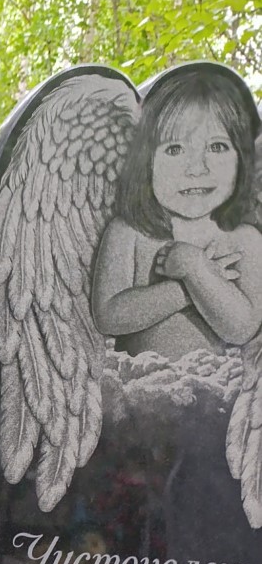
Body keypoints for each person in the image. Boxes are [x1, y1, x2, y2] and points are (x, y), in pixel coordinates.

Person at [92, 66, 262, 358]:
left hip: (219, 382)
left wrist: (195, 269)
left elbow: (242, 328)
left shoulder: (245, 240)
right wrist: (182, 290)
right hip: (141, 380)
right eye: (174, 149)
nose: (196, 168)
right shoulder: (128, 233)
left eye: (217, 146)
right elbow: (108, 316)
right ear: (146, 161)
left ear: (241, 159)